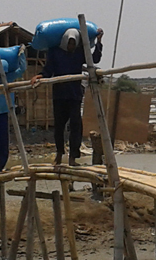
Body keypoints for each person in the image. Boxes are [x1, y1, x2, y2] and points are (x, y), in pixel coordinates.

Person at [31, 27, 104, 166]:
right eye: (69, 43)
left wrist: (99, 42)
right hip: (59, 94)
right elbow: (48, 70)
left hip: (75, 94)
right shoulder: (55, 52)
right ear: (65, 42)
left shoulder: (79, 52)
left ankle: (73, 158)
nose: (71, 46)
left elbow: (94, 59)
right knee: (59, 126)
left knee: (76, 126)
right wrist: (39, 76)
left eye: (73, 44)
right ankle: (59, 153)